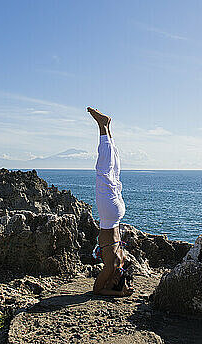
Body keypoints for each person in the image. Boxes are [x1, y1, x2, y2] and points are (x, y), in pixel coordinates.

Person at [87, 107, 134, 297]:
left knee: (113, 173)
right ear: (114, 281)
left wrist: (123, 287)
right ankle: (102, 126)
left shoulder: (122, 262)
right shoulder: (112, 266)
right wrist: (119, 293)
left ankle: (107, 129)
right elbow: (97, 290)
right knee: (103, 171)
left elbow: (106, 285)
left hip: (118, 214)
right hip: (109, 215)